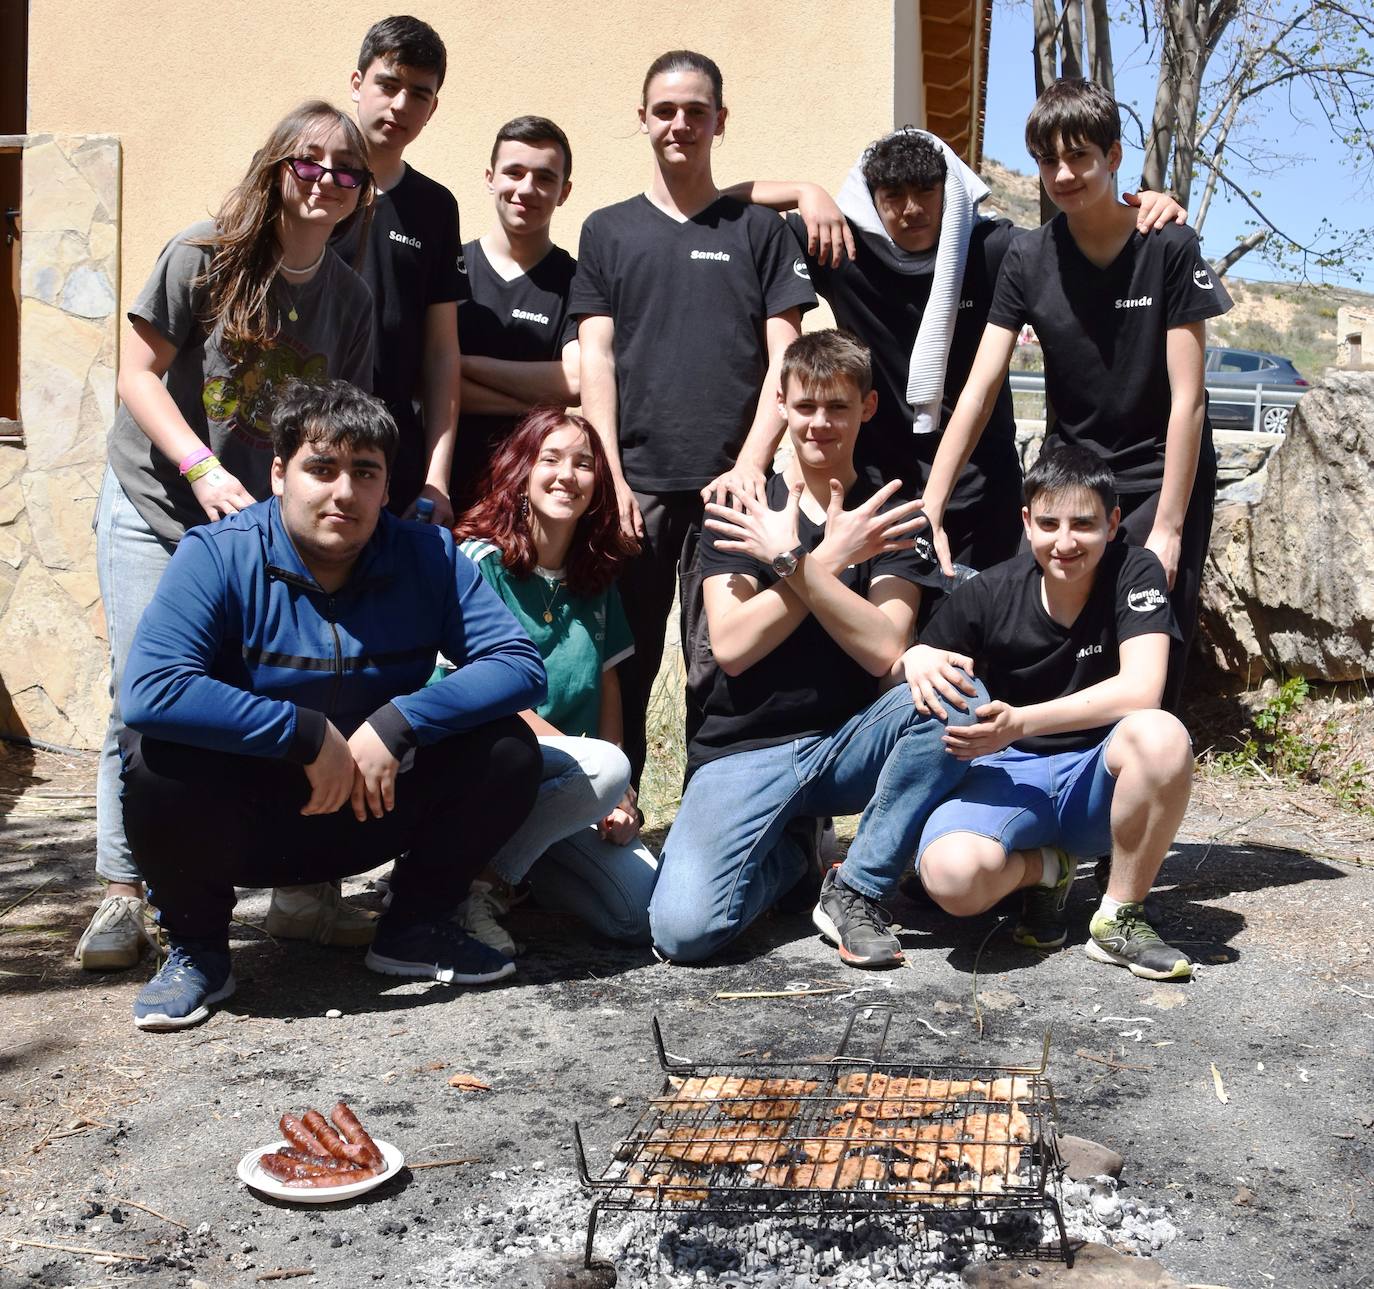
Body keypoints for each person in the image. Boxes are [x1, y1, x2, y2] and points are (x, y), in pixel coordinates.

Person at [118, 380, 547, 1031]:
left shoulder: (428, 555)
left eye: (365, 473)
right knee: (153, 759)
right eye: (322, 468)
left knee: (509, 749)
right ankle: (200, 952)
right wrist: (303, 733)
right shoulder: (219, 554)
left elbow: (519, 665)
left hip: (368, 807)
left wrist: (398, 722)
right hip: (247, 823)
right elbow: (151, 688)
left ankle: (414, 926)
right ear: (279, 473)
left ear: (384, 484)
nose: (344, 492)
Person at [80, 100, 377, 973]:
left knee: (283, 680)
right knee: (141, 680)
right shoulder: (203, 255)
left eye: (346, 169)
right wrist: (201, 468)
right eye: (310, 160)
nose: (327, 178)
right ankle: (124, 894)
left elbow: (337, 422)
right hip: (158, 500)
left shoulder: (349, 297)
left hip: (261, 524)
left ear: (362, 192)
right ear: (278, 163)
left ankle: (300, 889)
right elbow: (137, 374)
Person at [648, 331, 982, 967]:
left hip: (845, 743)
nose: (820, 424)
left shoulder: (890, 513)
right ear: (780, 405)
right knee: (684, 934)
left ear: (869, 408)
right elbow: (733, 644)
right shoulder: (740, 506)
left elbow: (885, 646)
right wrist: (823, 559)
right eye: (805, 407)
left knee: (957, 700)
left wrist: (792, 565)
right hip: (742, 751)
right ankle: (794, 854)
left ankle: (854, 888)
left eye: (837, 407)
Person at [726, 129, 1188, 581]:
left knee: (979, 641)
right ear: (870, 198)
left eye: (926, 191)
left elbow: (1075, 238)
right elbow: (722, 206)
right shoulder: (841, 249)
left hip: (982, 484)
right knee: (887, 642)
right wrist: (804, 191)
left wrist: (1148, 206)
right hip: (876, 483)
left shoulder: (992, 250)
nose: (911, 209)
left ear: (949, 191)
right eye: (893, 195)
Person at [920, 79, 1232, 711]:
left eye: (1079, 156)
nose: (1062, 174)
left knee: (1145, 645)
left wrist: (1168, 527)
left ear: (1113, 158)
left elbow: (1189, 400)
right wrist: (932, 503)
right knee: (1047, 636)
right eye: (1046, 160)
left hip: (1160, 477)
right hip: (1071, 476)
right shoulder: (1027, 257)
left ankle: (1139, 774)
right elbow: (980, 388)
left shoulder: (1168, 245)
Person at [571, 50, 817, 785]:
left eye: (695, 111)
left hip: (735, 491)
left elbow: (788, 358)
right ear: (642, 117)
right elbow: (597, 361)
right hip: (634, 488)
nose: (680, 123)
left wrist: (750, 461)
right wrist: (609, 477)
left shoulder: (760, 233)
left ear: (720, 121)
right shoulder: (607, 232)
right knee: (626, 660)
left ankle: (716, 815)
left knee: (727, 667)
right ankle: (612, 813)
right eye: (665, 110)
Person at [894, 442, 1194, 980]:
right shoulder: (988, 592)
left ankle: (1120, 914)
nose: (1065, 541)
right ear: (1027, 522)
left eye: (1084, 524)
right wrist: (914, 655)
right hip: (1006, 776)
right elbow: (913, 673)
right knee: (951, 880)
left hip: (1096, 781)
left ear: (1113, 522)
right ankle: (1046, 872)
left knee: (1162, 734)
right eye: (1049, 523)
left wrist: (1022, 722)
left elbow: (1142, 688)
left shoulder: (1136, 570)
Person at [452, 408, 657, 949]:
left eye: (584, 464)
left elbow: (609, 689)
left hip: (571, 785)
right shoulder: (478, 562)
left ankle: (514, 874)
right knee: (602, 769)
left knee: (640, 914)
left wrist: (621, 795)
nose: (568, 474)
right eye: (551, 458)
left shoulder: (596, 578)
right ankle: (473, 885)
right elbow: (476, 685)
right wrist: (593, 768)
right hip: (487, 769)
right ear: (521, 471)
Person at [334, 15, 466, 525]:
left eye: (419, 93)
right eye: (388, 84)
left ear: (432, 109)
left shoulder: (435, 206)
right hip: (298, 446)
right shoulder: (307, 180)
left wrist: (437, 477)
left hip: (389, 459)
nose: (400, 105)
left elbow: (440, 352)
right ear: (357, 83)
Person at [450, 117, 580, 513]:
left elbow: (573, 383)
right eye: (514, 172)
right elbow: (424, 382)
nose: (527, 189)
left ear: (564, 192)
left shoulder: (577, 280)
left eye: (544, 177)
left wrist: (459, 365)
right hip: (442, 488)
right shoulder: (450, 267)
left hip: (529, 498)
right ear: (490, 177)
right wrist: (538, 400)